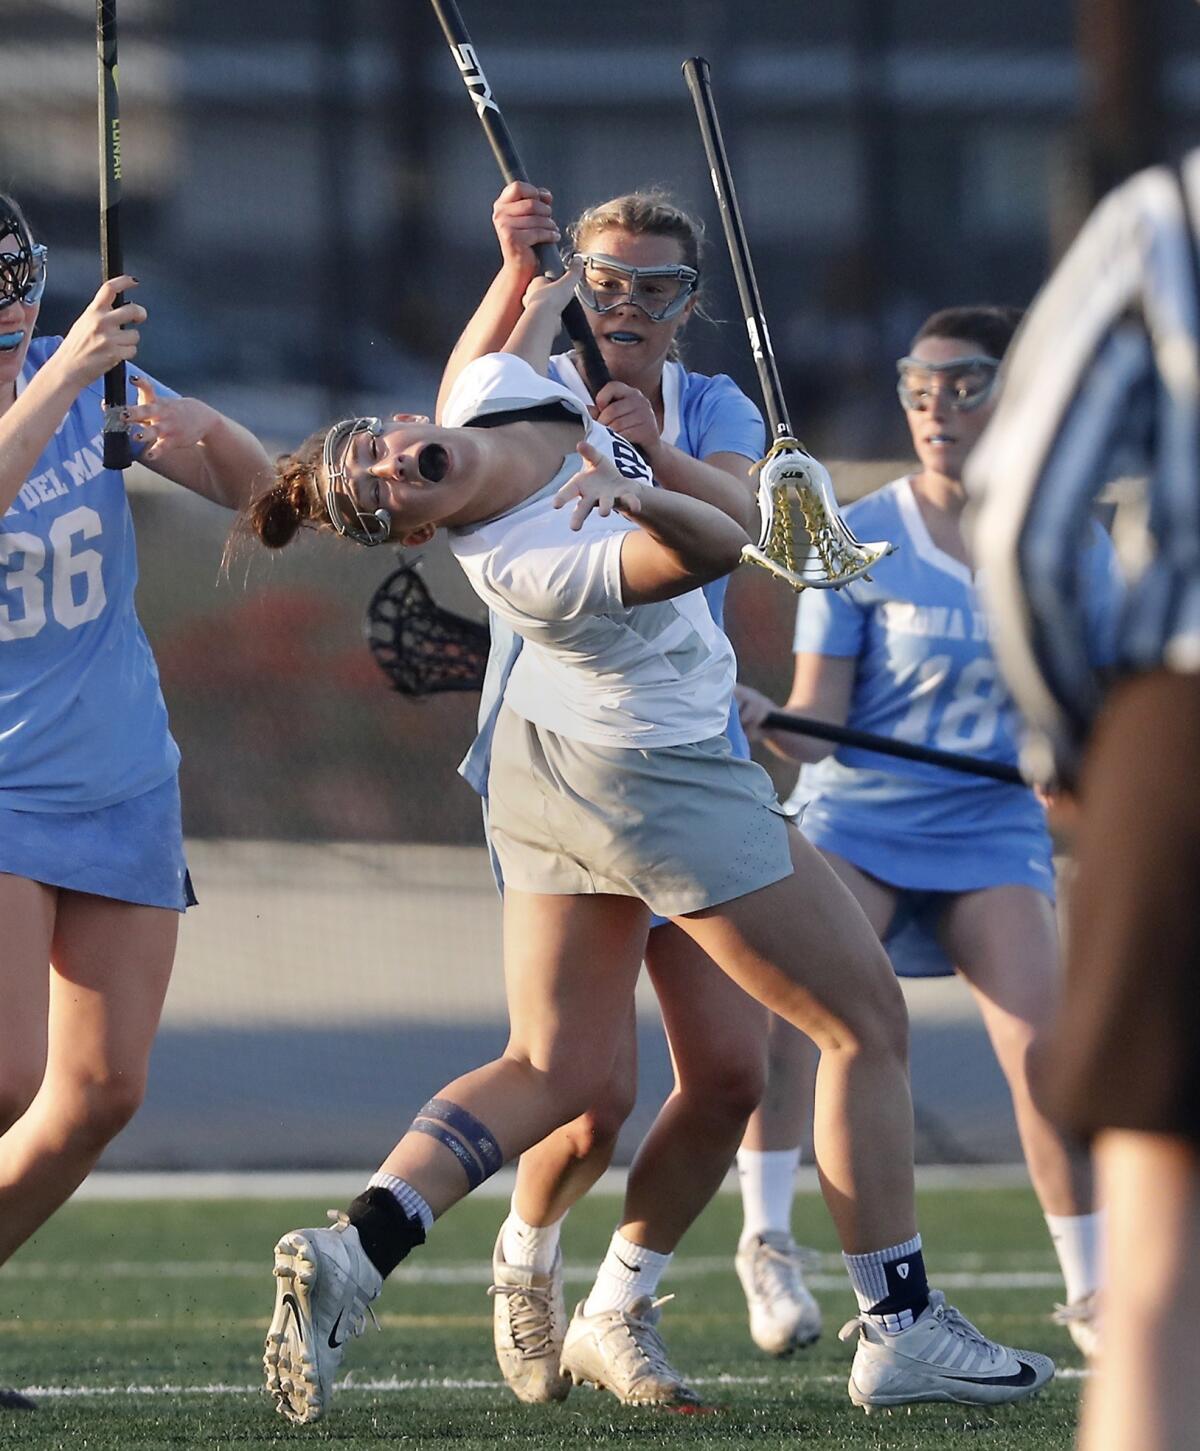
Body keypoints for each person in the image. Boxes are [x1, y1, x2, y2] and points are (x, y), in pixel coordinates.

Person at [249, 259, 1054, 1428]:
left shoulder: (482, 391)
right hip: (657, 778)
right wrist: (651, 480)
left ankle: (357, 1248)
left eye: (376, 444)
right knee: (861, 1021)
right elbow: (713, 551)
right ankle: (900, 1324)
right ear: (411, 532)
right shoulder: (532, 561)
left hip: (551, 766)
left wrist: (532, 261)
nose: (389, 466)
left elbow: (525, 319)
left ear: (409, 419)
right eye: (380, 497)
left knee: (557, 1067)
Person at [436, 180, 816, 1406]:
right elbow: (456, 403)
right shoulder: (532, 378)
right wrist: (512, 272)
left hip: (687, 768)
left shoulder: (709, 405)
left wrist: (649, 446)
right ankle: (525, 1258)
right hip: (563, 771)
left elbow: (752, 519)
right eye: (604, 284)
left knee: (732, 1072)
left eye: (655, 288)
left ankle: (620, 1303)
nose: (628, 306)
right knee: (590, 1094)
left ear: (690, 304)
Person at [736, 305, 1123, 1359]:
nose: (937, 407)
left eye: (965, 384)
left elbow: (1095, 703)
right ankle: (766, 1239)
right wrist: (776, 719)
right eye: (919, 386)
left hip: (990, 826)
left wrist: (1077, 768)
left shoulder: (1066, 540)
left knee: (1044, 1050)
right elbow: (817, 725)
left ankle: (1093, 1293)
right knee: (793, 1021)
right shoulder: (859, 533)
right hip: (858, 819)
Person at [0, 195, 271, 1406]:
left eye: (18, 273)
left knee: (100, 1091)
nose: (11, 300)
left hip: (120, 783)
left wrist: (203, 431)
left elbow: (262, 503)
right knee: (7, 1076)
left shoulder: (95, 385)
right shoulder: (60, 382)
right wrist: (62, 374)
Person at [969, 149, 1200, 1451]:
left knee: (1160, 1268)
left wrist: (1080, 735)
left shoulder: (1169, 220)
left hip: (1187, 726)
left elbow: (1019, 517)